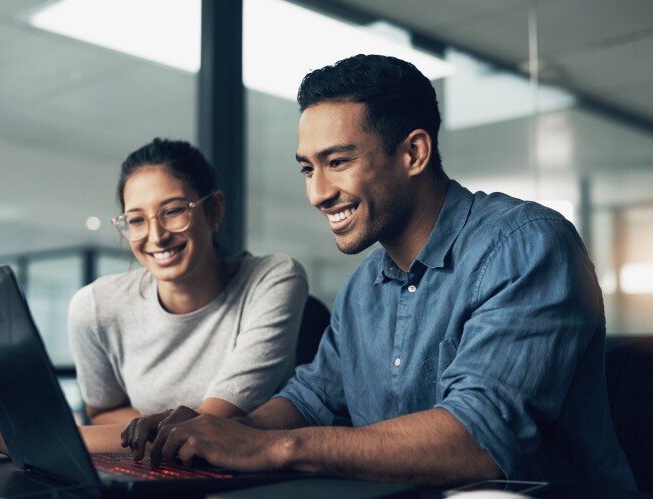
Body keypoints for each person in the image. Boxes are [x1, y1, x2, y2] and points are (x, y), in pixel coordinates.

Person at [122, 55, 637, 491]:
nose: (318, 193)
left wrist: (268, 446)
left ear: (414, 152)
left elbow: (478, 439)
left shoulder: (526, 244)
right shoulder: (364, 285)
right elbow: (312, 399)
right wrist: (216, 430)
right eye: (308, 168)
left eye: (338, 161)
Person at [0, 138, 308, 458]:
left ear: (213, 210)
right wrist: (147, 436)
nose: (156, 236)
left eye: (173, 211)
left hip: (244, 479)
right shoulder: (95, 306)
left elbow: (206, 429)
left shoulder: (273, 279)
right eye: (136, 220)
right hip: (152, 469)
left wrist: (32, 437)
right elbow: (103, 410)